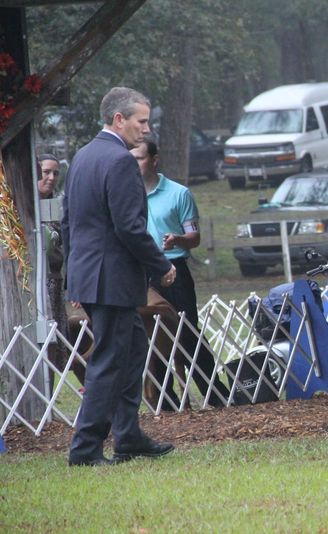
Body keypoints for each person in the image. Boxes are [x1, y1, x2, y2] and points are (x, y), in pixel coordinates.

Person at [62, 87, 176, 466]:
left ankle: (128, 436)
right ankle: (85, 449)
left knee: (132, 350)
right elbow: (129, 227)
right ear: (119, 119)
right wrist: (162, 265)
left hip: (93, 275)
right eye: (141, 121)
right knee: (109, 360)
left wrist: (74, 277)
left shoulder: (82, 156)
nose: (146, 129)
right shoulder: (120, 160)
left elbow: (69, 222)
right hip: (110, 278)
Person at [130, 137, 230, 408]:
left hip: (175, 269)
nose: (134, 163)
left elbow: (194, 236)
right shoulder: (125, 193)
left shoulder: (179, 193)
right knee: (154, 335)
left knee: (187, 332)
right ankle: (165, 400)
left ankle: (214, 393)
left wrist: (178, 239)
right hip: (140, 273)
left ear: (154, 159)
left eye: (139, 158)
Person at [37, 154, 68, 373]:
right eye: (46, 172)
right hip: (30, 286)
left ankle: (49, 393)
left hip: (54, 283)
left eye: (55, 173)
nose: (51, 177)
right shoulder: (17, 205)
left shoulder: (57, 206)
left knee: (55, 345)